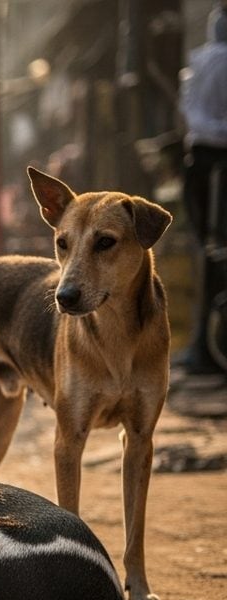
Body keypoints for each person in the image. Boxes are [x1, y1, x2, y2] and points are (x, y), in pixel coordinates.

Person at [176, 3, 227, 377]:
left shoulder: (198, 61)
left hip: (199, 161)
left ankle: (203, 344)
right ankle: (205, 345)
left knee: (206, 248)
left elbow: (187, 111)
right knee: (216, 248)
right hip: (220, 163)